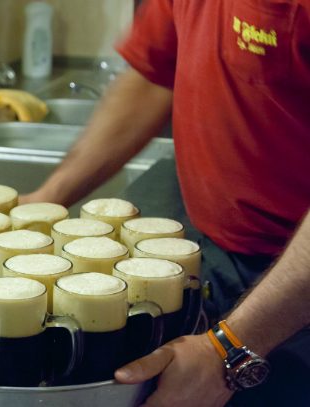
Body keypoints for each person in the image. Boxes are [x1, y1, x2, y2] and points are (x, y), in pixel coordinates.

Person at [22, 0, 309, 405]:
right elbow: (154, 75)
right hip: (214, 257)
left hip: (294, 290)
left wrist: (231, 348)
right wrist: (47, 200)